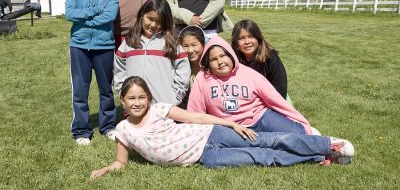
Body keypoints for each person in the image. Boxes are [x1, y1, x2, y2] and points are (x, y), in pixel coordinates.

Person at [90, 76, 354, 178]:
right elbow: (120, 163)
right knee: (261, 158)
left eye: (141, 97)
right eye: (131, 98)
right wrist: (105, 169)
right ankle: (320, 157)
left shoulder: (160, 109)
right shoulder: (123, 130)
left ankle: (328, 144)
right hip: (205, 157)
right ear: (123, 101)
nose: (137, 103)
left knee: (267, 141)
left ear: (148, 98)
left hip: (211, 133)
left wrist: (230, 123)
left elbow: (198, 118)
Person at [187, 36, 319, 135]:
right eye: (213, 59)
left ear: (231, 56)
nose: (220, 62)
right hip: (229, 126)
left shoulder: (249, 74)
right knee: (263, 144)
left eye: (223, 56)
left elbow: (275, 100)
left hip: (260, 118)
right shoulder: (203, 78)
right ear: (208, 63)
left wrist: (299, 120)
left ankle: (324, 142)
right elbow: (195, 111)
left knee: (299, 133)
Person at [65, 0, 119, 146]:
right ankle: (81, 130)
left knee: (106, 88)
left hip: (104, 45)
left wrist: (85, 18)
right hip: (79, 46)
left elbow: (110, 16)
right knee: (80, 89)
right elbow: (70, 14)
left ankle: (108, 126)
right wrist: (95, 10)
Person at [114, 0, 190, 106]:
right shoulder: (129, 42)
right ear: (141, 16)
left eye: (158, 21)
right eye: (150, 18)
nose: (153, 25)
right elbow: (119, 70)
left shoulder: (171, 43)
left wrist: (175, 98)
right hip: (136, 107)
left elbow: (182, 70)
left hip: (164, 107)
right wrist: (124, 94)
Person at [231, 20, 289, 100]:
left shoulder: (271, 57)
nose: (247, 42)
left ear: (258, 38)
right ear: (236, 43)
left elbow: (280, 88)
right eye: (241, 38)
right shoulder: (232, 60)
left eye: (251, 36)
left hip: (270, 100)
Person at [178, 25, 207, 109]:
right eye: (185, 46)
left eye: (194, 45)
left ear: (203, 44)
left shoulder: (210, 68)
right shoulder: (180, 69)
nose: (190, 50)